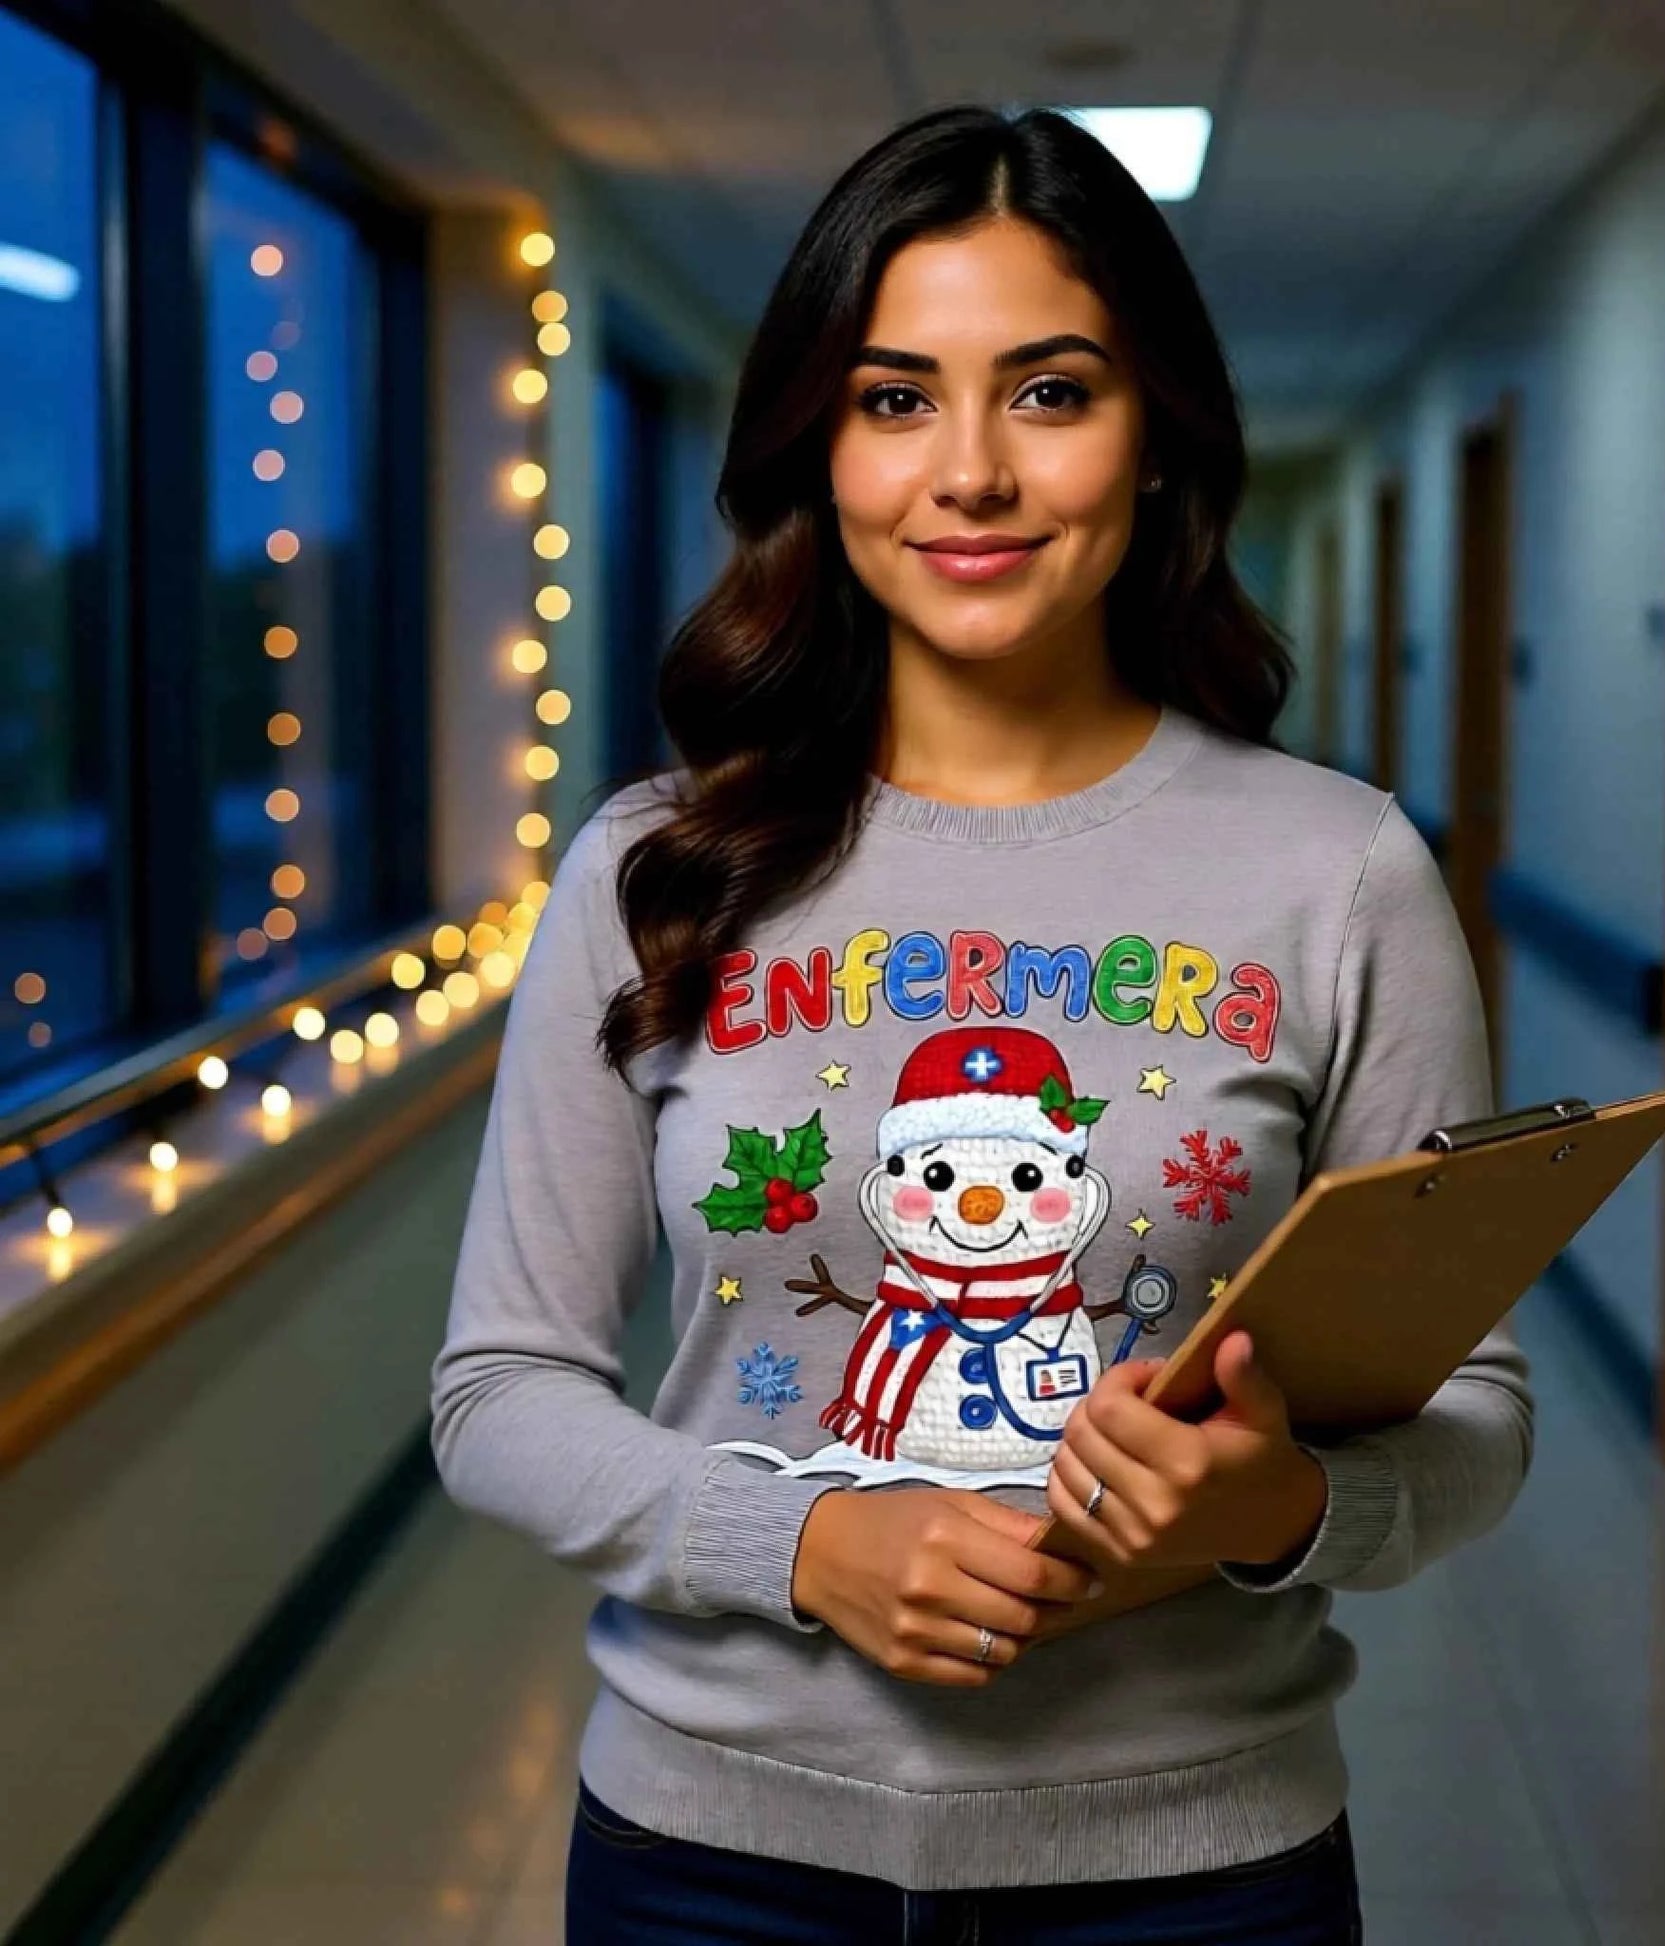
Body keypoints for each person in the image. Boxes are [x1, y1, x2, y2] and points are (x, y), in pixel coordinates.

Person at [431, 103, 1534, 1945]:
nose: (969, 473)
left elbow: (1477, 1421)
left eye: (1045, 392)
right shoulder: (656, 865)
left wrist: (1267, 1509)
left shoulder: (1335, 872)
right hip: (713, 1863)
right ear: (818, 447)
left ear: (1156, 439)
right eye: (892, 398)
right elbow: (500, 1391)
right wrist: (798, 1542)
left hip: (1193, 1869)